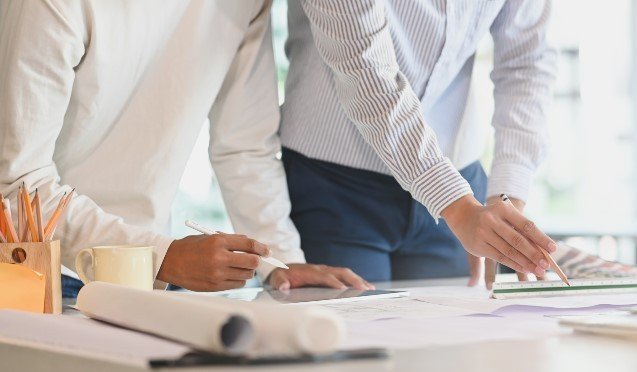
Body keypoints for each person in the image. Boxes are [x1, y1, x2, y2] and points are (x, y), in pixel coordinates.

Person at [0, 0, 372, 297]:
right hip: (36, 274)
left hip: (145, 278)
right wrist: (162, 257)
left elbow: (244, 148)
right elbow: (17, 186)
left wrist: (281, 262)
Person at [271, 0, 558, 289]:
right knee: (347, 330)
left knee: (452, 330)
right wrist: (458, 208)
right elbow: (366, 72)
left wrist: (506, 203)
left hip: (458, 179)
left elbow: (527, 64)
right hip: (334, 182)